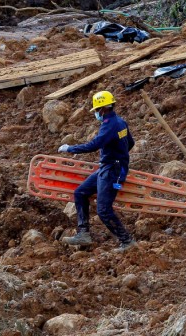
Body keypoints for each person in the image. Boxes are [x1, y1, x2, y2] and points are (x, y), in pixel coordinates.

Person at [58, 91, 136, 253]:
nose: (95, 114)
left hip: (112, 171)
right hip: (108, 167)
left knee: (103, 210)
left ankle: (126, 241)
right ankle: (83, 233)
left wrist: (70, 148)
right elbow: (130, 143)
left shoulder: (109, 125)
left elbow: (95, 144)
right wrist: (119, 155)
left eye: (95, 110)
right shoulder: (120, 122)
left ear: (102, 109)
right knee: (80, 193)